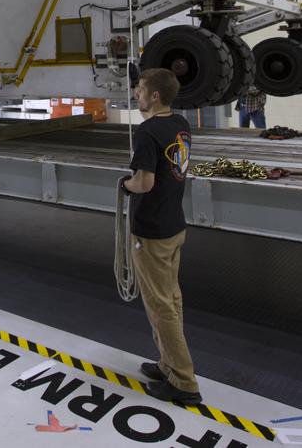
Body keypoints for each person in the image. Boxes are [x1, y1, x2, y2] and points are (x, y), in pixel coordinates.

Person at [120, 68, 202, 404]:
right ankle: (168, 364)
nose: (136, 95)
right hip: (174, 225)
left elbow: (144, 182)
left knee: (160, 307)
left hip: (152, 230)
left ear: (155, 96)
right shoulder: (180, 124)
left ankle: (183, 382)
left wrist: (124, 185)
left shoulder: (148, 131)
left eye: (140, 90)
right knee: (172, 300)